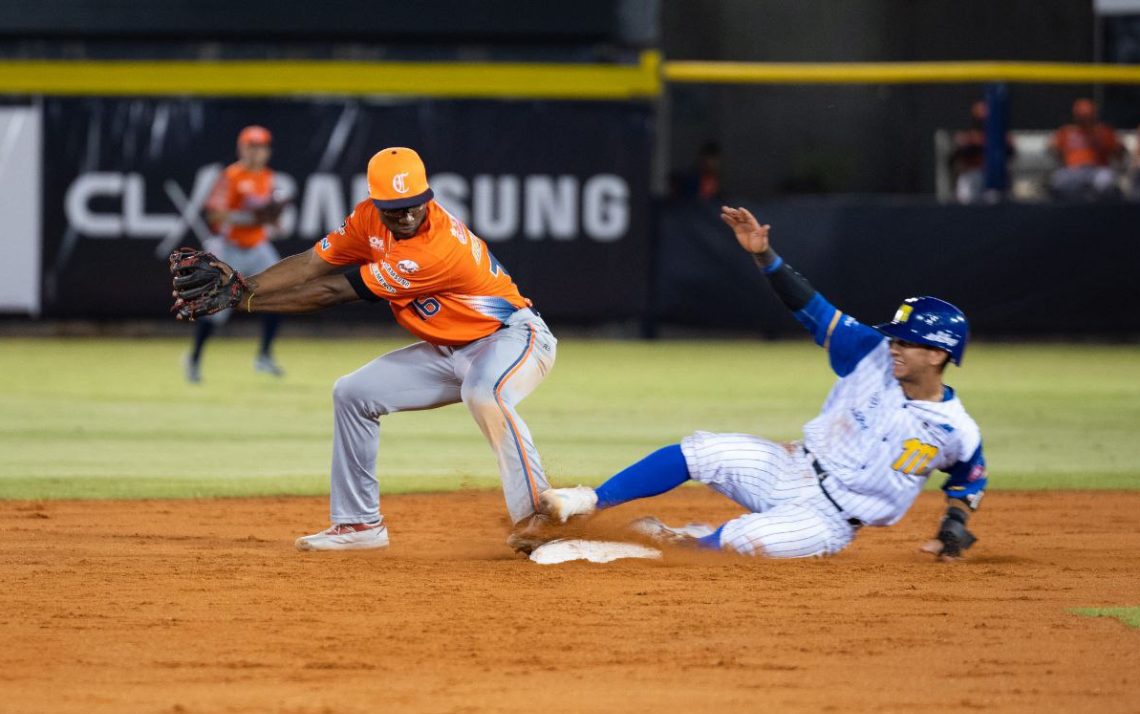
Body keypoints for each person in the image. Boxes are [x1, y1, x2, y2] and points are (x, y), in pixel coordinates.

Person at [538, 206, 987, 562]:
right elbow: (812, 307)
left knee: (735, 542)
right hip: (791, 466)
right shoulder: (870, 352)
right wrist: (764, 256)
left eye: (906, 342)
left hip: (829, 519)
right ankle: (587, 503)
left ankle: (657, 543)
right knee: (700, 451)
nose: (894, 347)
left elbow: (968, 480)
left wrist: (952, 530)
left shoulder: (955, 429)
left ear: (938, 353)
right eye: (895, 337)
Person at [180, 146, 557, 552]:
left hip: (512, 338)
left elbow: (331, 291)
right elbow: (311, 264)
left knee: (485, 393)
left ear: (427, 195)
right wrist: (244, 284)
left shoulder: (435, 248)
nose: (408, 215)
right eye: (395, 209)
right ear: (377, 204)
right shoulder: (366, 219)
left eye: (415, 204)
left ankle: (539, 517)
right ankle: (359, 524)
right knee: (353, 393)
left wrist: (242, 301)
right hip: (450, 349)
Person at [184, 125, 287, 383]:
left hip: (258, 246)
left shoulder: (268, 176)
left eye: (261, 147)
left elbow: (268, 217)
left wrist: (272, 221)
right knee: (218, 308)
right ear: (241, 148)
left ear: (268, 151)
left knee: (280, 294)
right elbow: (213, 214)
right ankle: (194, 359)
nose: (256, 153)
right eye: (251, 147)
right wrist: (250, 217)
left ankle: (264, 355)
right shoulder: (231, 176)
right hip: (230, 248)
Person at [1048, 99, 1125, 202]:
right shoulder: (1066, 132)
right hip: (1073, 170)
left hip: (1097, 170)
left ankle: (1101, 212)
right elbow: (1054, 150)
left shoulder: (1104, 131)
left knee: (1106, 181)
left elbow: (1119, 153)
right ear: (1076, 117)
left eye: (1088, 116)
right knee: (1058, 181)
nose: (1086, 119)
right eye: (1082, 117)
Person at [948, 100, 1015, 204]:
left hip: (994, 176)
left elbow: (1011, 153)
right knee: (967, 202)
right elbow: (954, 158)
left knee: (995, 203)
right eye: (979, 117)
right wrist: (969, 144)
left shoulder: (1001, 135)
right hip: (972, 174)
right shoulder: (967, 134)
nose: (982, 120)